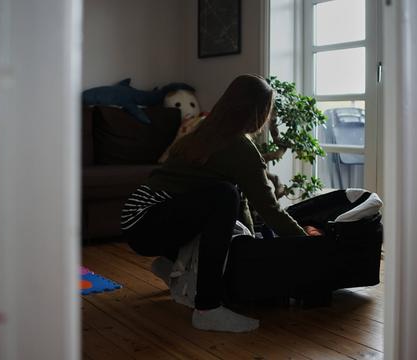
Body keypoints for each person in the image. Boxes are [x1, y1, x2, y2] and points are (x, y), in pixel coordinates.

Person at [121, 74, 307, 333]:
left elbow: (237, 204)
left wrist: (250, 238)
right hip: (149, 223)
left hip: (136, 218)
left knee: (220, 196)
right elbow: (269, 208)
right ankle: (207, 308)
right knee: (223, 195)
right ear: (259, 112)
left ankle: (169, 263)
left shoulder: (208, 129)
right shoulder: (241, 148)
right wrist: (307, 242)